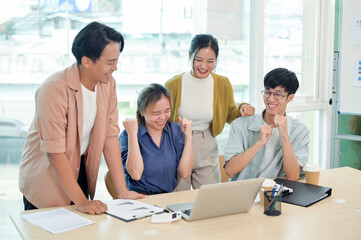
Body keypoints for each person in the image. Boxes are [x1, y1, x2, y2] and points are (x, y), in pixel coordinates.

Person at [19, 21, 144, 214]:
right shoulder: (53, 89)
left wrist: (122, 191)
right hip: (46, 179)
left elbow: (110, 137)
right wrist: (82, 202)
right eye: (110, 62)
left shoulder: (107, 84)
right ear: (86, 61)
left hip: (79, 171)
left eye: (117, 60)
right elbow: (54, 152)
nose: (115, 68)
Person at [165, 34, 255, 191]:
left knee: (210, 197)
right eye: (198, 60)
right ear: (189, 56)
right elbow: (163, 117)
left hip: (207, 144)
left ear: (216, 61)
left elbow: (229, 114)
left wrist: (243, 107)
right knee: (177, 198)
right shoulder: (173, 84)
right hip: (177, 144)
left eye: (210, 61)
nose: (203, 66)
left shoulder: (222, 83)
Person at [224, 68, 310, 181]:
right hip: (243, 192)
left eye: (278, 94)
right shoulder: (241, 124)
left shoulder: (300, 131)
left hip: (277, 193)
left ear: (290, 98)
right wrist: (259, 143)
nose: (270, 99)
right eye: (267, 92)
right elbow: (230, 170)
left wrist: (284, 136)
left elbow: (293, 176)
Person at [119, 83, 194, 194]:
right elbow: (136, 174)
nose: (162, 117)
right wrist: (132, 135)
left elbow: (185, 173)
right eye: (156, 113)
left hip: (166, 197)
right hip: (138, 199)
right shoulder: (128, 134)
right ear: (142, 111)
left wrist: (188, 136)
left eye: (167, 111)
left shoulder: (176, 131)